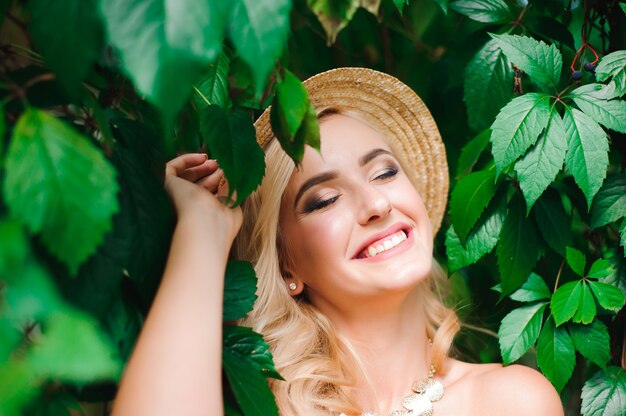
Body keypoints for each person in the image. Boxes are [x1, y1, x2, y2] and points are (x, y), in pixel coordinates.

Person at [112, 68, 563, 415]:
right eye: (324, 199)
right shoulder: (263, 407)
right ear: (287, 268)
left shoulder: (508, 401)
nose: (375, 204)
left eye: (385, 172)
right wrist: (202, 233)